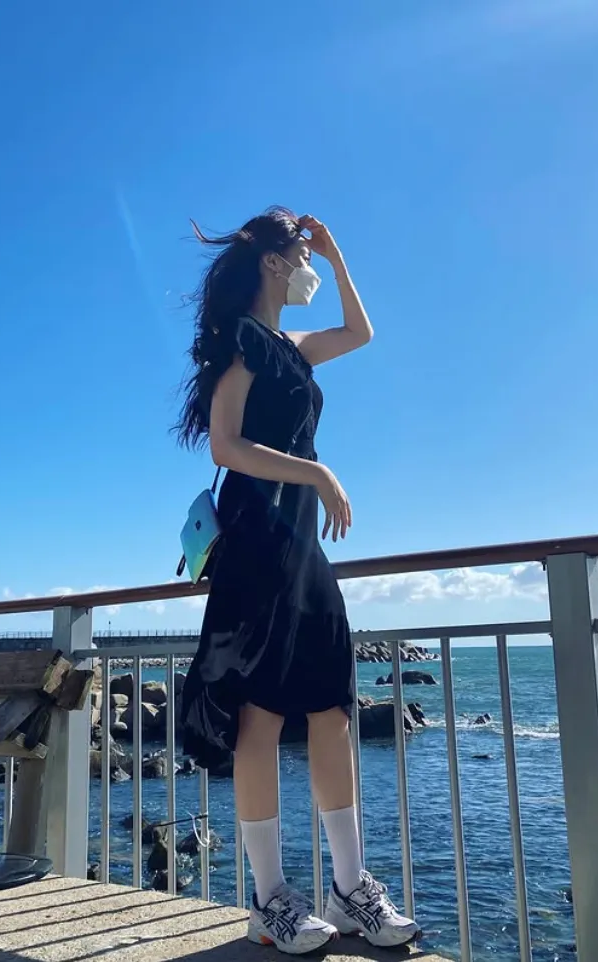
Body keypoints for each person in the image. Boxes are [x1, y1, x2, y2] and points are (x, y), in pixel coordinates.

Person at [176, 208, 419, 954]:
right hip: (256, 539)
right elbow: (225, 445)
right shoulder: (242, 342)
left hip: (301, 545)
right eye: (303, 256)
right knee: (261, 715)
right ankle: (270, 899)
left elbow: (360, 333)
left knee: (331, 707)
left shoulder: (294, 346)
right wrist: (316, 471)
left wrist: (339, 258)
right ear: (274, 263)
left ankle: (350, 889)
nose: (309, 267)